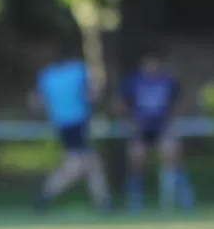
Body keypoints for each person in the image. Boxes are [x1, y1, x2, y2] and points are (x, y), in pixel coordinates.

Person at [29, 43, 111, 213]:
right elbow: (92, 94)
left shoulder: (47, 75)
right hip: (78, 122)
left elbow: (37, 101)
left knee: (91, 164)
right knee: (77, 165)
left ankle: (103, 202)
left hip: (61, 124)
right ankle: (45, 194)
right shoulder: (79, 70)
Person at [117, 52, 194, 212]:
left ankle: (185, 200)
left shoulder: (167, 81)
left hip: (162, 127)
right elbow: (120, 103)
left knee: (172, 155)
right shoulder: (133, 81)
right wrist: (130, 122)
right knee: (136, 158)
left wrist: (172, 121)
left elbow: (178, 102)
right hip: (141, 129)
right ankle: (135, 202)